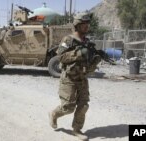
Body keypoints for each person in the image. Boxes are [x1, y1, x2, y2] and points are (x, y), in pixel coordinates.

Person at [49, 12, 101, 141]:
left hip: (82, 78)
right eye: (84, 24)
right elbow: (61, 57)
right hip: (69, 79)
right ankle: (54, 114)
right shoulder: (68, 40)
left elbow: (88, 61)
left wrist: (96, 59)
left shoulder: (87, 42)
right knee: (68, 108)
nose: (86, 27)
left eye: (87, 24)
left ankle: (77, 129)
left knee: (84, 105)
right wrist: (78, 53)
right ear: (77, 25)